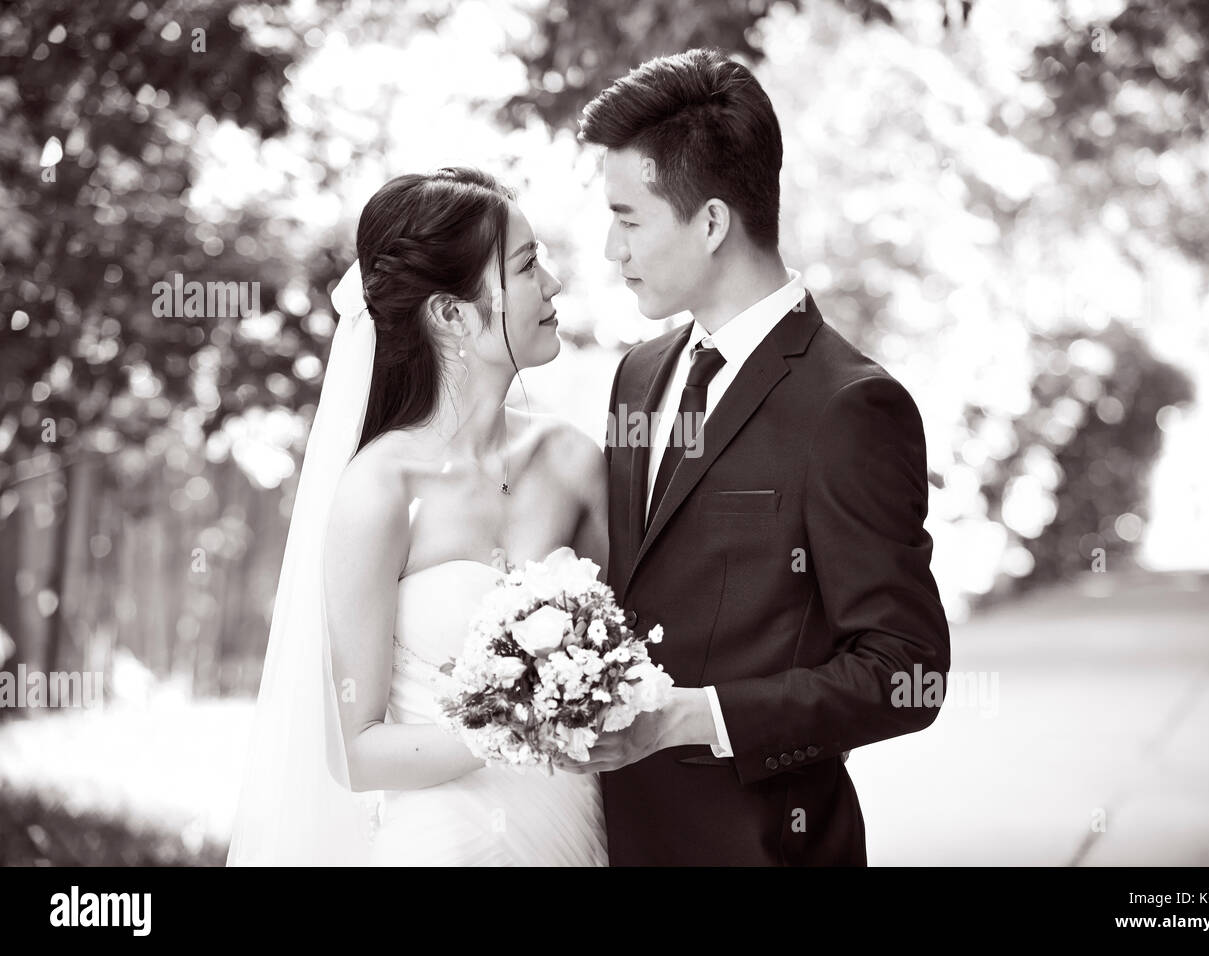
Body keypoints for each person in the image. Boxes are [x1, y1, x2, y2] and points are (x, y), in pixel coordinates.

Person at [553, 49, 952, 866]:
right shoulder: (636, 376)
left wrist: (700, 717)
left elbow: (907, 671)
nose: (607, 247)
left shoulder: (851, 407)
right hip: (616, 838)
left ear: (709, 222)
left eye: (628, 219)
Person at [227, 168, 609, 865]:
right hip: (444, 845)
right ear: (452, 315)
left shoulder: (575, 463)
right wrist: (520, 720)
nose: (552, 283)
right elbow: (358, 752)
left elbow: (629, 645)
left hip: (573, 835)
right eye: (527, 267)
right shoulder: (379, 489)